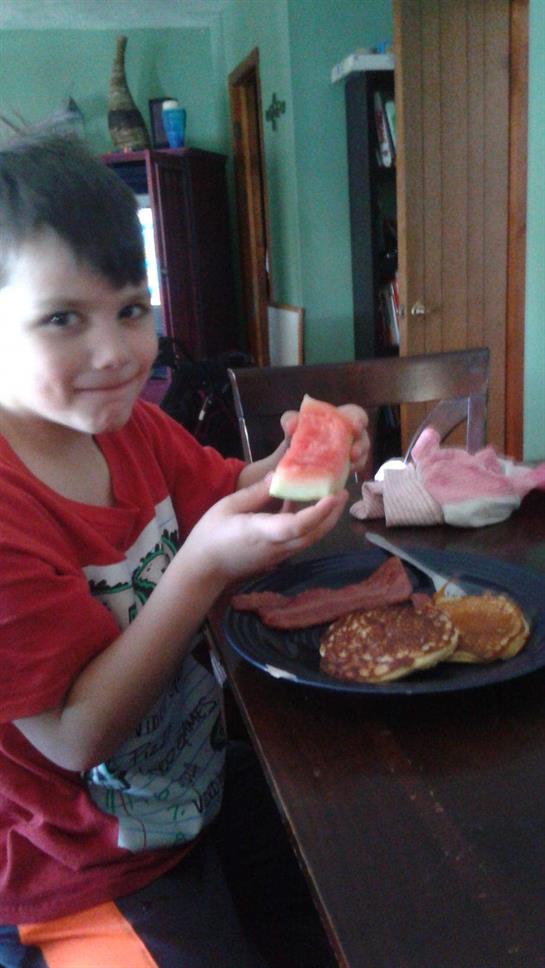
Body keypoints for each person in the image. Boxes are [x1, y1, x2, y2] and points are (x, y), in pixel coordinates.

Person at [0, 130, 369, 968]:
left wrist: (304, 461)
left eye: (132, 309)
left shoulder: (132, 428)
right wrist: (201, 567)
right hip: (77, 861)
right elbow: (72, 737)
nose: (117, 353)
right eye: (63, 319)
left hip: (187, 785)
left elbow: (234, 491)